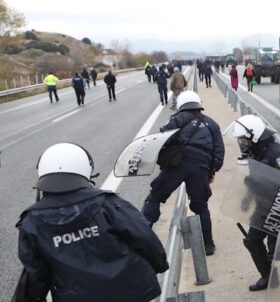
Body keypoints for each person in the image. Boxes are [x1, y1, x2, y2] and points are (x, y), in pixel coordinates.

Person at [16, 143, 169, 301]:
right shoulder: (108, 204)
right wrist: (160, 265)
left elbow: (36, 273)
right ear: (84, 169)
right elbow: (144, 237)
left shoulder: (31, 222)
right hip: (132, 291)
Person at [142, 91, 224, 255]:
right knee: (201, 207)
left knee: (155, 197)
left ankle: (143, 238)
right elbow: (219, 151)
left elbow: (163, 139)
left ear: (181, 105)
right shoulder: (212, 124)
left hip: (177, 166)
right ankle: (208, 244)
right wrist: (212, 170)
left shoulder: (177, 119)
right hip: (200, 167)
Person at [230, 115, 280, 292]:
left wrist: (265, 187)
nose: (242, 144)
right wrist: (247, 198)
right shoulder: (255, 153)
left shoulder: (277, 154)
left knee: (276, 250)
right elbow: (255, 179)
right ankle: (269, 277)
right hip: (263, 206)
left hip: (278, 208)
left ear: (254, 136)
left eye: (244, 140)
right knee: (252, 242)